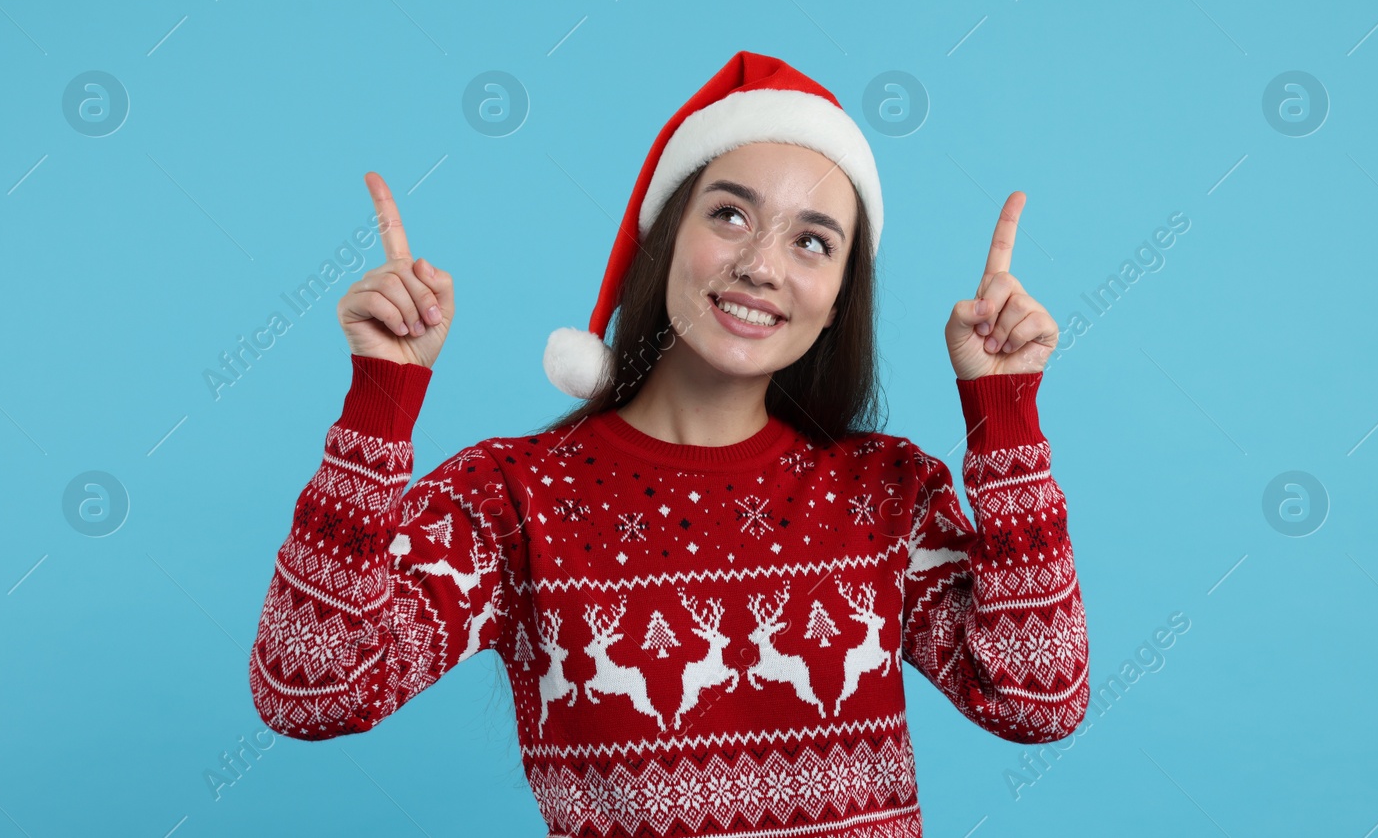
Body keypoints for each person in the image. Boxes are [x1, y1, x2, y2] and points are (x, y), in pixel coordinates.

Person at [248, 51, 1090, 837]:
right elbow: (309, 689)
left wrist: (1004, 412)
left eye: (811, 241)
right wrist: (380, 399)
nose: (762, 266)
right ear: (663, 238)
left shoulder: (887, 494)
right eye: (730, 214)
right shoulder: (511, 497)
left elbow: (1036, 697)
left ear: (837, 298)